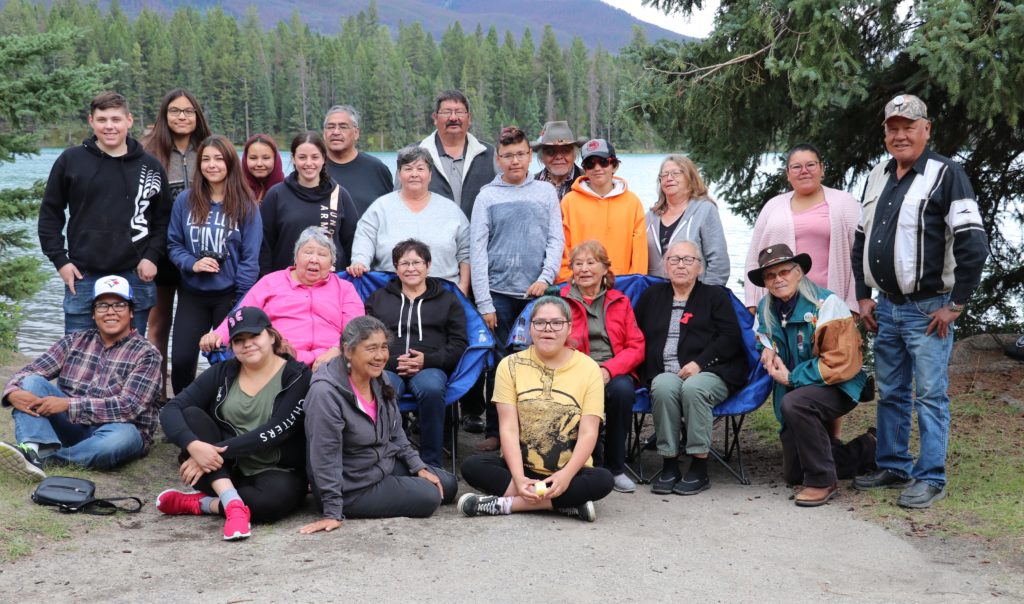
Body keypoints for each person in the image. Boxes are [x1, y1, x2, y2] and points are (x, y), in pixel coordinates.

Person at [851, 94, 988, 509]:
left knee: (930, 394)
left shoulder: (948, 175)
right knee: (891, 389)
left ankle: (930, 476)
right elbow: (861, 238)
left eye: (909, 126)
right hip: (886, 308)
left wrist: (957, 304)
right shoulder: (876, 175)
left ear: (926, 129)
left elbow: (973, 245)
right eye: (893, 128)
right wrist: (863, 295)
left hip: (929, 310)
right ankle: (894, 464)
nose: (900, 134)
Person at [157, 307, 310, 540]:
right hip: (224, 472)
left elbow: (276, 430)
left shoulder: (297, 376)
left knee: (270, 504)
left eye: (254, 336)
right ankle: (233, 505)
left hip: (275, 470)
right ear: (232, 346)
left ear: (271, 336)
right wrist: (194, 446)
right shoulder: (223, 372)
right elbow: (170, 409)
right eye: (239, 340)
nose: (247, 344)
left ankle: (204, 504)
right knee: (191, 414)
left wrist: (212, 454)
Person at [458, 296, 615, 521]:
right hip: (520, 469)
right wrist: (519, 477)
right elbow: (509, 429)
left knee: (603, 480)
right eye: (540, 323)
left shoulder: (589, 369)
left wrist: (566, 476)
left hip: (569, 470)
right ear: (530, 328)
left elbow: (589, 432)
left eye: (556, 323)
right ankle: (563, 505)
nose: (547, 329)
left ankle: (505, 505)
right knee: (472, 466)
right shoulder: (509, 365)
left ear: (569, 327)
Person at [301, 316, 458, 533]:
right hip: (352, 486)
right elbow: (324, 456)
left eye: (384, 347)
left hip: (382, 463)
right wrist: (332, 510)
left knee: (448, 485)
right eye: (371, 348)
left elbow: (396, 431)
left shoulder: (379, 377)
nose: (380, 356)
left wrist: (418, 467)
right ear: (348, 351)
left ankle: (407, 479)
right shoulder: (325, 393)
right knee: (430, 497)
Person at [751, 244, 877, 506]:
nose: (778, 279)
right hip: (801, 388)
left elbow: (841, 362)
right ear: (765, 282)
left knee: (795, 403)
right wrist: (766, 350)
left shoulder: (827, 304)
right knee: (794, 474)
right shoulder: (766, 306)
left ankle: (822, 481)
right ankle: (870, 447)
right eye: (771, 276)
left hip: (840, 385)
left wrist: (792, 378)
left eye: (785, 271)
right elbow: (762, 336)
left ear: (800, 273)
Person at [0, 277, 162, 480]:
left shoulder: (147, 354)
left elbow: (129, 407)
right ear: (94, 314)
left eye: (119, 305)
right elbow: (29, 371)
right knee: (31, 382)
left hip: (116, 430)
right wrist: (13, 392)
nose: (110, 312)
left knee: (121, 439)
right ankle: (31, 448)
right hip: (71, 425)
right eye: (102, 306)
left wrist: (68, 404)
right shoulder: (74, 341)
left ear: (131, 312)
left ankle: (46, 458)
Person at [38, 91, 171, 335]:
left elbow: (163, 219)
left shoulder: (150, 166)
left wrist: (152, 256)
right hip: (82, 274)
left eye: (115, 119)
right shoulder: (71, 160)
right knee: (78, 356)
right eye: (102, 120)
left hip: (135, 275)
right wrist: (60, 261)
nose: (109, 126)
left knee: (129, 358)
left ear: (128, 120)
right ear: (91, 121)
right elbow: (50, 213)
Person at [471, 126, 564, 451]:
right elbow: (477, 250)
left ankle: (533, 433)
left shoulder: (545, 193)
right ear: (499, 159)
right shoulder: (487, 196)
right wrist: (484, 303)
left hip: (537, 294)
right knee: (499, 365)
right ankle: (496, 431)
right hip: (498, 295)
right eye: (508, 156)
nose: (515, 161)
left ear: (529, 156)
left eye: (521, 154)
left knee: (538, 362)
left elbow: (556, 239)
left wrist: (546, 276)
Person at [635, 241, 748, 495]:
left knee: (694, 388)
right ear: (665, 266)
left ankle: (699, 466)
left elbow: (730, 338)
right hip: (666, 373)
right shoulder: (652, 297)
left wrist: (700, 363)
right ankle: (670, 463)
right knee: (663, 386)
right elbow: (635, 335)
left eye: (688, 260)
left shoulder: (715, 296)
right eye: (674, 260)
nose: (681, 265)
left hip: (712, 372)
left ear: (700, 267)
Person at [167, 135, 262, 394]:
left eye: (219, 159)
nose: (212, 165)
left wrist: (240, 302)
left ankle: (224, 412)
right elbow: (174, 244)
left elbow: (250, 258)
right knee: (183, 359)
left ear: (230, 163)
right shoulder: (185, 201)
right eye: (206, 159)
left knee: (229, 359)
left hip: (229, 296)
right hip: (193, 295)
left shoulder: (246, 205)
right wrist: (192, 263)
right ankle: (183, 411)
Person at [365, 240, 468, 468]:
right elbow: (367, 340)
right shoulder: (378, 299)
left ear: (428, 265)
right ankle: (386, 462)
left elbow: (459, 343)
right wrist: (389, 361)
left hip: (431, 366)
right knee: (383, 390)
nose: (411, 268)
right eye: (404, 263)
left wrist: (426, 361)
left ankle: (432, 464)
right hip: (387, 366)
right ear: (395, 267)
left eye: (417, 262)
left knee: (431, 389)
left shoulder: (448, 299)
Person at [201, 226, 364, 370]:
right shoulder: (270, 282)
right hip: (280, 359)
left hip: (332, 362)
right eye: (308, 252)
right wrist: (218, 335)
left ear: (331, 263)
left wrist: (336, 351)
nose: (314, 259)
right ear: (296, 257)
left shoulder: (345, 289)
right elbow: (243, 314)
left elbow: (356, 330)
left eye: (322, 254)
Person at [558, 241, 645, 493]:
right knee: (580, 392)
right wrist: (582, 370)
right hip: (573, 368)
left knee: (622, 391)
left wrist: (608, 370)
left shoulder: (620, 301)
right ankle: (589, 466)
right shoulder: (560, 299)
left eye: (591, 262)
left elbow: (636, 346)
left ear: (605, 268)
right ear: (571, 269)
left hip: (612, 370)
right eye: (578, 263)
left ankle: (616, 468)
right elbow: (549, 339)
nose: (584, 269)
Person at [142, 89, 213, 392]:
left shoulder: (208, 152)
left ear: (197, 116)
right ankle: (155, 393)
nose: (181, 117)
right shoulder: (148, 152)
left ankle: (191, 393)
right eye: (175, 111)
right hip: (159, 252)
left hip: (200, 252)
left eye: (188, 111)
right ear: (164, 115)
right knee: (158, 325)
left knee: (193, 328)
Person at [744, 144, 860, 313]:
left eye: (811, 165)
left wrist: (853, 302)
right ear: (788, 174)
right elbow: (754, 257)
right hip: (780, 303)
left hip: (830, 302)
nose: (804, 171)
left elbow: (858, 256)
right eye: (796, 167)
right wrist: (752, 301)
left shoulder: (844, 203)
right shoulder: (773, 206)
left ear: (822, 168)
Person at [347, 146, 470, 293]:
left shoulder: (451, 210)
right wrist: (360, 262)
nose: (414, 174)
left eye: (420, 168)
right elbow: (365, 239)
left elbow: (466, 251)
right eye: (408, 169)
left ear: (430, 174)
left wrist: (463, 287)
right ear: (399, 174)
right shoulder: (380, 208)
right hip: (391, 292)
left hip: (444, 294)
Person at [259, 131, 359, 275]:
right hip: (286, 284)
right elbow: (265, 247)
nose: (308, 163)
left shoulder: (339, 195)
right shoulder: (276, 195)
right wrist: (266, 283)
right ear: (293, 158)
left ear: (324, 158)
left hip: (330, 283)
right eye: (302, 157)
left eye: (315, 157)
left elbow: (353, 243)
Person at [557, 139, 647, 282]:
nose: (597, 168)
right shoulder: (569, 202)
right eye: (590, 164)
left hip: (622, 285)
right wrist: (567, 282)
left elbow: (639, 252)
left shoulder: (632, 202)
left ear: (614, 165)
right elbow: (562, 248)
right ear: (585, 169)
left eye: (603, 162)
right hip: (579, 285)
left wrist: (634, 282)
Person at [646, 155, 729, 285]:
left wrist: (708, 298)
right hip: (656, 298)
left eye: (676, 173)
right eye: (664, 174)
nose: (669, 178)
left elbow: (718, 262)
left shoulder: (704, 210)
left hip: (695, 297)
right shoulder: (650, 217)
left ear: (690, 178)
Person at [415, 89, 496, 220]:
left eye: (459, 112)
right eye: (447, 112)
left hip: (478, 239)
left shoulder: (490, 154)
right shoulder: (414, 154)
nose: (453, 118)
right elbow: (400, 203)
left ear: (469, 118)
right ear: (435, 118)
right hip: (429, 239)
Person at [322, 105, 394, 217]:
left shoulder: (376, 169)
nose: (336, 132)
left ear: (356, 132)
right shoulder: (314, 169)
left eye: (343, 127)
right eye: (330, 127)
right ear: (324, 133)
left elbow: (390, 214)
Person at [531, 120, 586, 200]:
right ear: (542, 157)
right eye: (550, 152)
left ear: (574, 155)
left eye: (565, 151)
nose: (559, 157)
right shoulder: (531, 184)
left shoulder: (588, 181)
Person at [242, 134, 285, 202]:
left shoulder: (287, 191)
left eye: (266, 158)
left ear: (275, 159)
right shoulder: (234, 190)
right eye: (253, 158)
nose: (259, 164)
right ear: (245, 159)